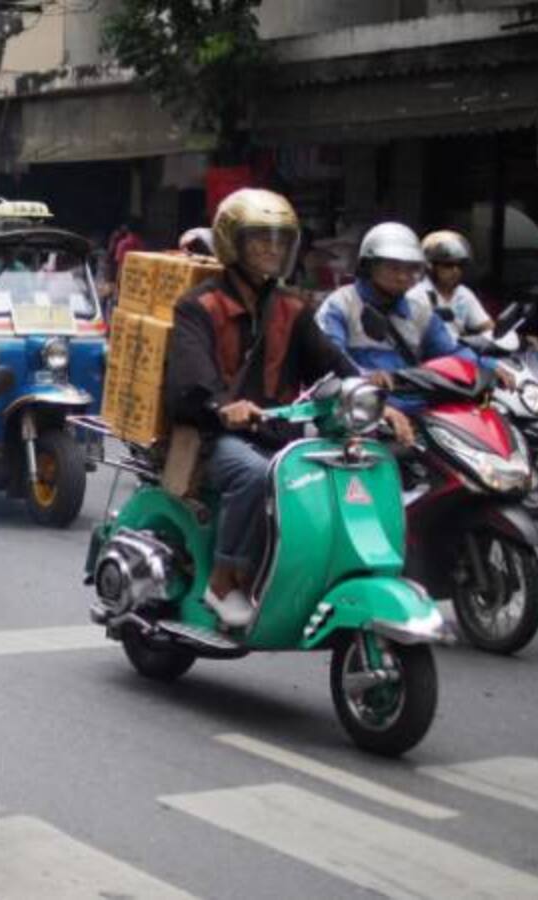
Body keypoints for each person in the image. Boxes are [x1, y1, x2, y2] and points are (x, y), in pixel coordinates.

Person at [162, 189, 410, 628]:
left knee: (336, 470)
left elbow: (334, 365)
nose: (273, 249)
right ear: (231, 242)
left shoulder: (292, 308)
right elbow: (189, 383)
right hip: (212, 437)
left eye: (280, 239)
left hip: (277, 435)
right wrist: (223, 406)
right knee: (255, 475)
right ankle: (223, 579)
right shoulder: (198, 306)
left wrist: (378, 405)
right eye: (260, 238)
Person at [316, 222, 513, 408]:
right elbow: (331, 360)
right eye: (393, 268)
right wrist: (366, 376)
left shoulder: (421, 309)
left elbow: (449, 351)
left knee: (481, 414)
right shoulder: (340, 305)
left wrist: (487, 365)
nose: (403, 276)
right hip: (361, 408)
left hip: (417, 405)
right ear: (369, 266)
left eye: (411, 269)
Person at [408, 230, 493, 341]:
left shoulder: (463, 294)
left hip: (456, 352)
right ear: (431, 266)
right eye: (448, 265)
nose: (455, 271)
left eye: (459, 265)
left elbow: (487, 327)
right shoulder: (417, 295)